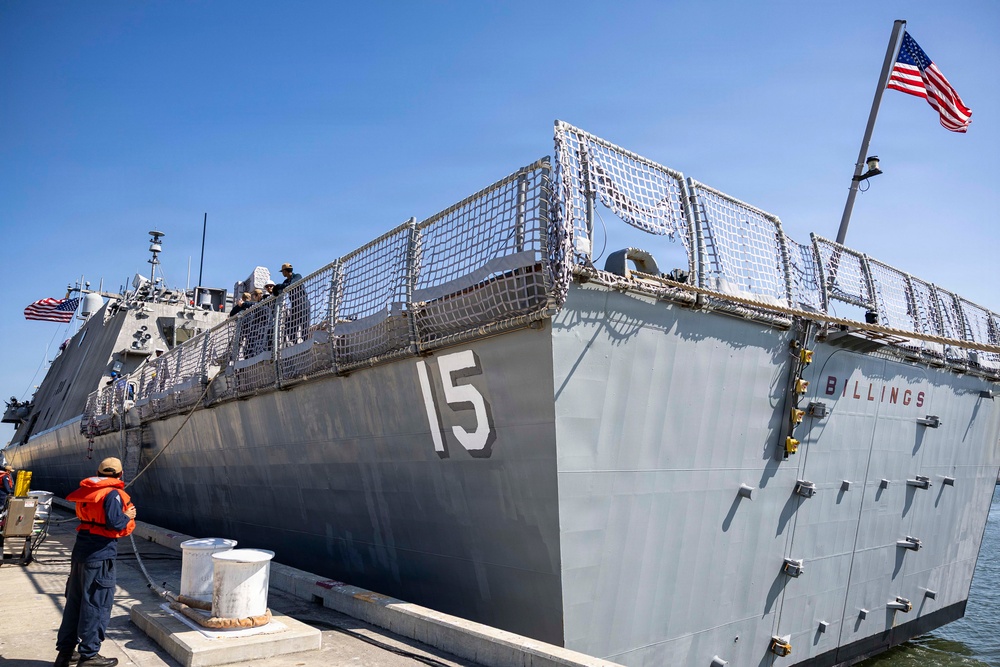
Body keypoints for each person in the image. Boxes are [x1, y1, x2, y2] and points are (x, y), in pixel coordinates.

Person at [54, 457, 137, 667]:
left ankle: (65, 653)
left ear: (98, 473)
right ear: (120, 475)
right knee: (96, 604)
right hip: (100, 555)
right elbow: (114, 523)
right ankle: (89, 655)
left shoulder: (88, 491)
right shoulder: (113, 494)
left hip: (80, 551)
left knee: (75, 602)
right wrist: (127, 515)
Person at [272, 263, 310, 344]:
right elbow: (278, 291)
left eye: (283, 271)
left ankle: (306, 345)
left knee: (304, 328)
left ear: (286, 271)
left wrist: (279, 286)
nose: (282, 273)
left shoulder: (297, 276)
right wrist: (275, 289)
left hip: (303, 305)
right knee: (290, 328)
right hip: (295, 307)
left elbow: (291, 284)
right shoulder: (285, 281)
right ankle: (296, 345)